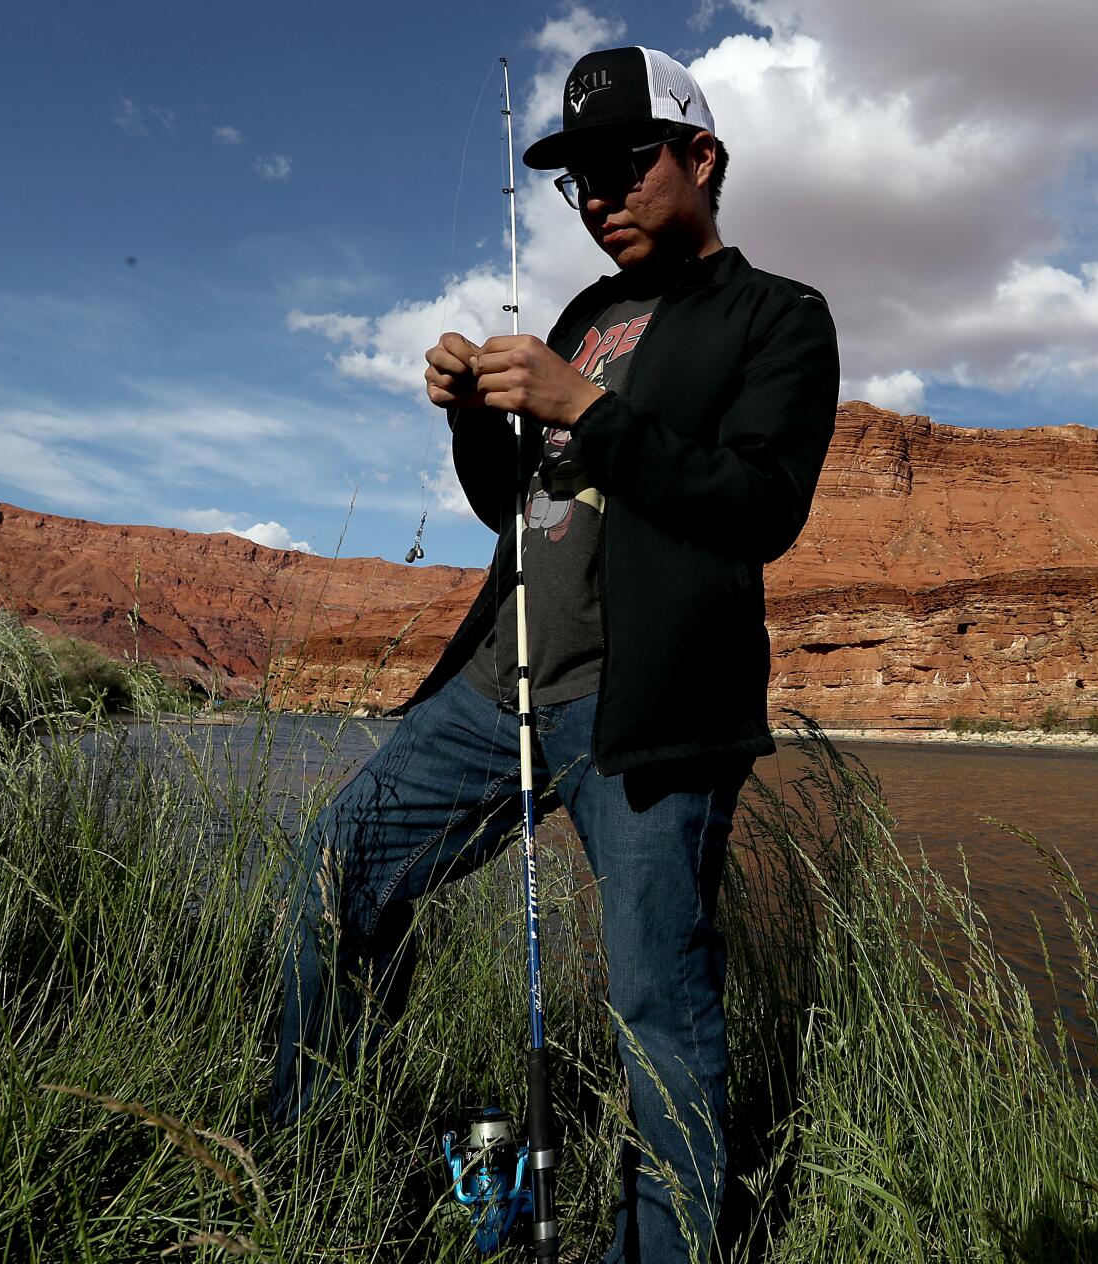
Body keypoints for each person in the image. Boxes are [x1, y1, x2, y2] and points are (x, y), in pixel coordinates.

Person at [271, 45, 840, 1263]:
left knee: (658, 1013)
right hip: (493, 691)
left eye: (624, 163)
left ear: (701, 158)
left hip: (645, 716)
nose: (597, 194)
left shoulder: (778, 317)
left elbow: (758, 506)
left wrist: (585, 408)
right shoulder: (585, 316)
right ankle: (299, 1166)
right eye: (578, 175)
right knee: (333, 878)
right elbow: (516, 505)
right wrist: (482, 418)